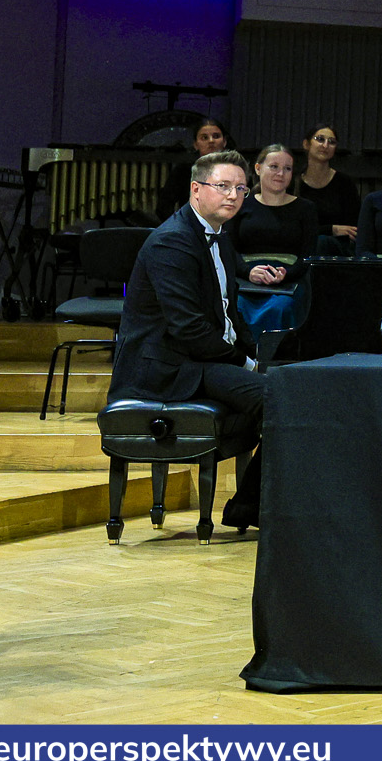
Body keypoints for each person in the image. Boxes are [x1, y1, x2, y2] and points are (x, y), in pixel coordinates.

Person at [109, 148, 267, 528]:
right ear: (196, 189)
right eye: (223, 186)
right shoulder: (172, 241)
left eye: (241, 188)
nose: (233, 195)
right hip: (171, 366)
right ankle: (251, 506)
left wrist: (260, 354)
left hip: (202, 358)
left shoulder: (219, 237)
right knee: (277, 398)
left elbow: (229, 313)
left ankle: (251, 504)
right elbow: (189, 329)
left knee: (287, 391)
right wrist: (247, 364)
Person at [228, 144, 321, 283]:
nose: (281, 174)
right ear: (258, 169)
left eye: (287, 168)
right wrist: (247, 272)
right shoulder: (239, 204)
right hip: (245, 277)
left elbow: (308, 255)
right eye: (274, 167)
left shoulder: (306, 208)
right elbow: (228, 248)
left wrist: (287, 274)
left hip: (290, 279)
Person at [294, 121, 360, 244]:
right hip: (299, 245)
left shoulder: (345, 183)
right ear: (306, 144)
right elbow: (292, 227)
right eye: (320, 139)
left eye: (331, 142)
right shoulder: (293, 183)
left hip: (336, 247)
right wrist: (332, 229)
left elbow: (351, 229)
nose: (325, 145)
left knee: (323, 242)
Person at [154, 117, 232, 220]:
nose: (211, 141)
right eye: (204, 138)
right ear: (195, 144)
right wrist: (180, 226)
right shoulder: (183, 170)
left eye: (216, 136)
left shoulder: (236, 171)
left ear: (224, 141)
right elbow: (163, 207)